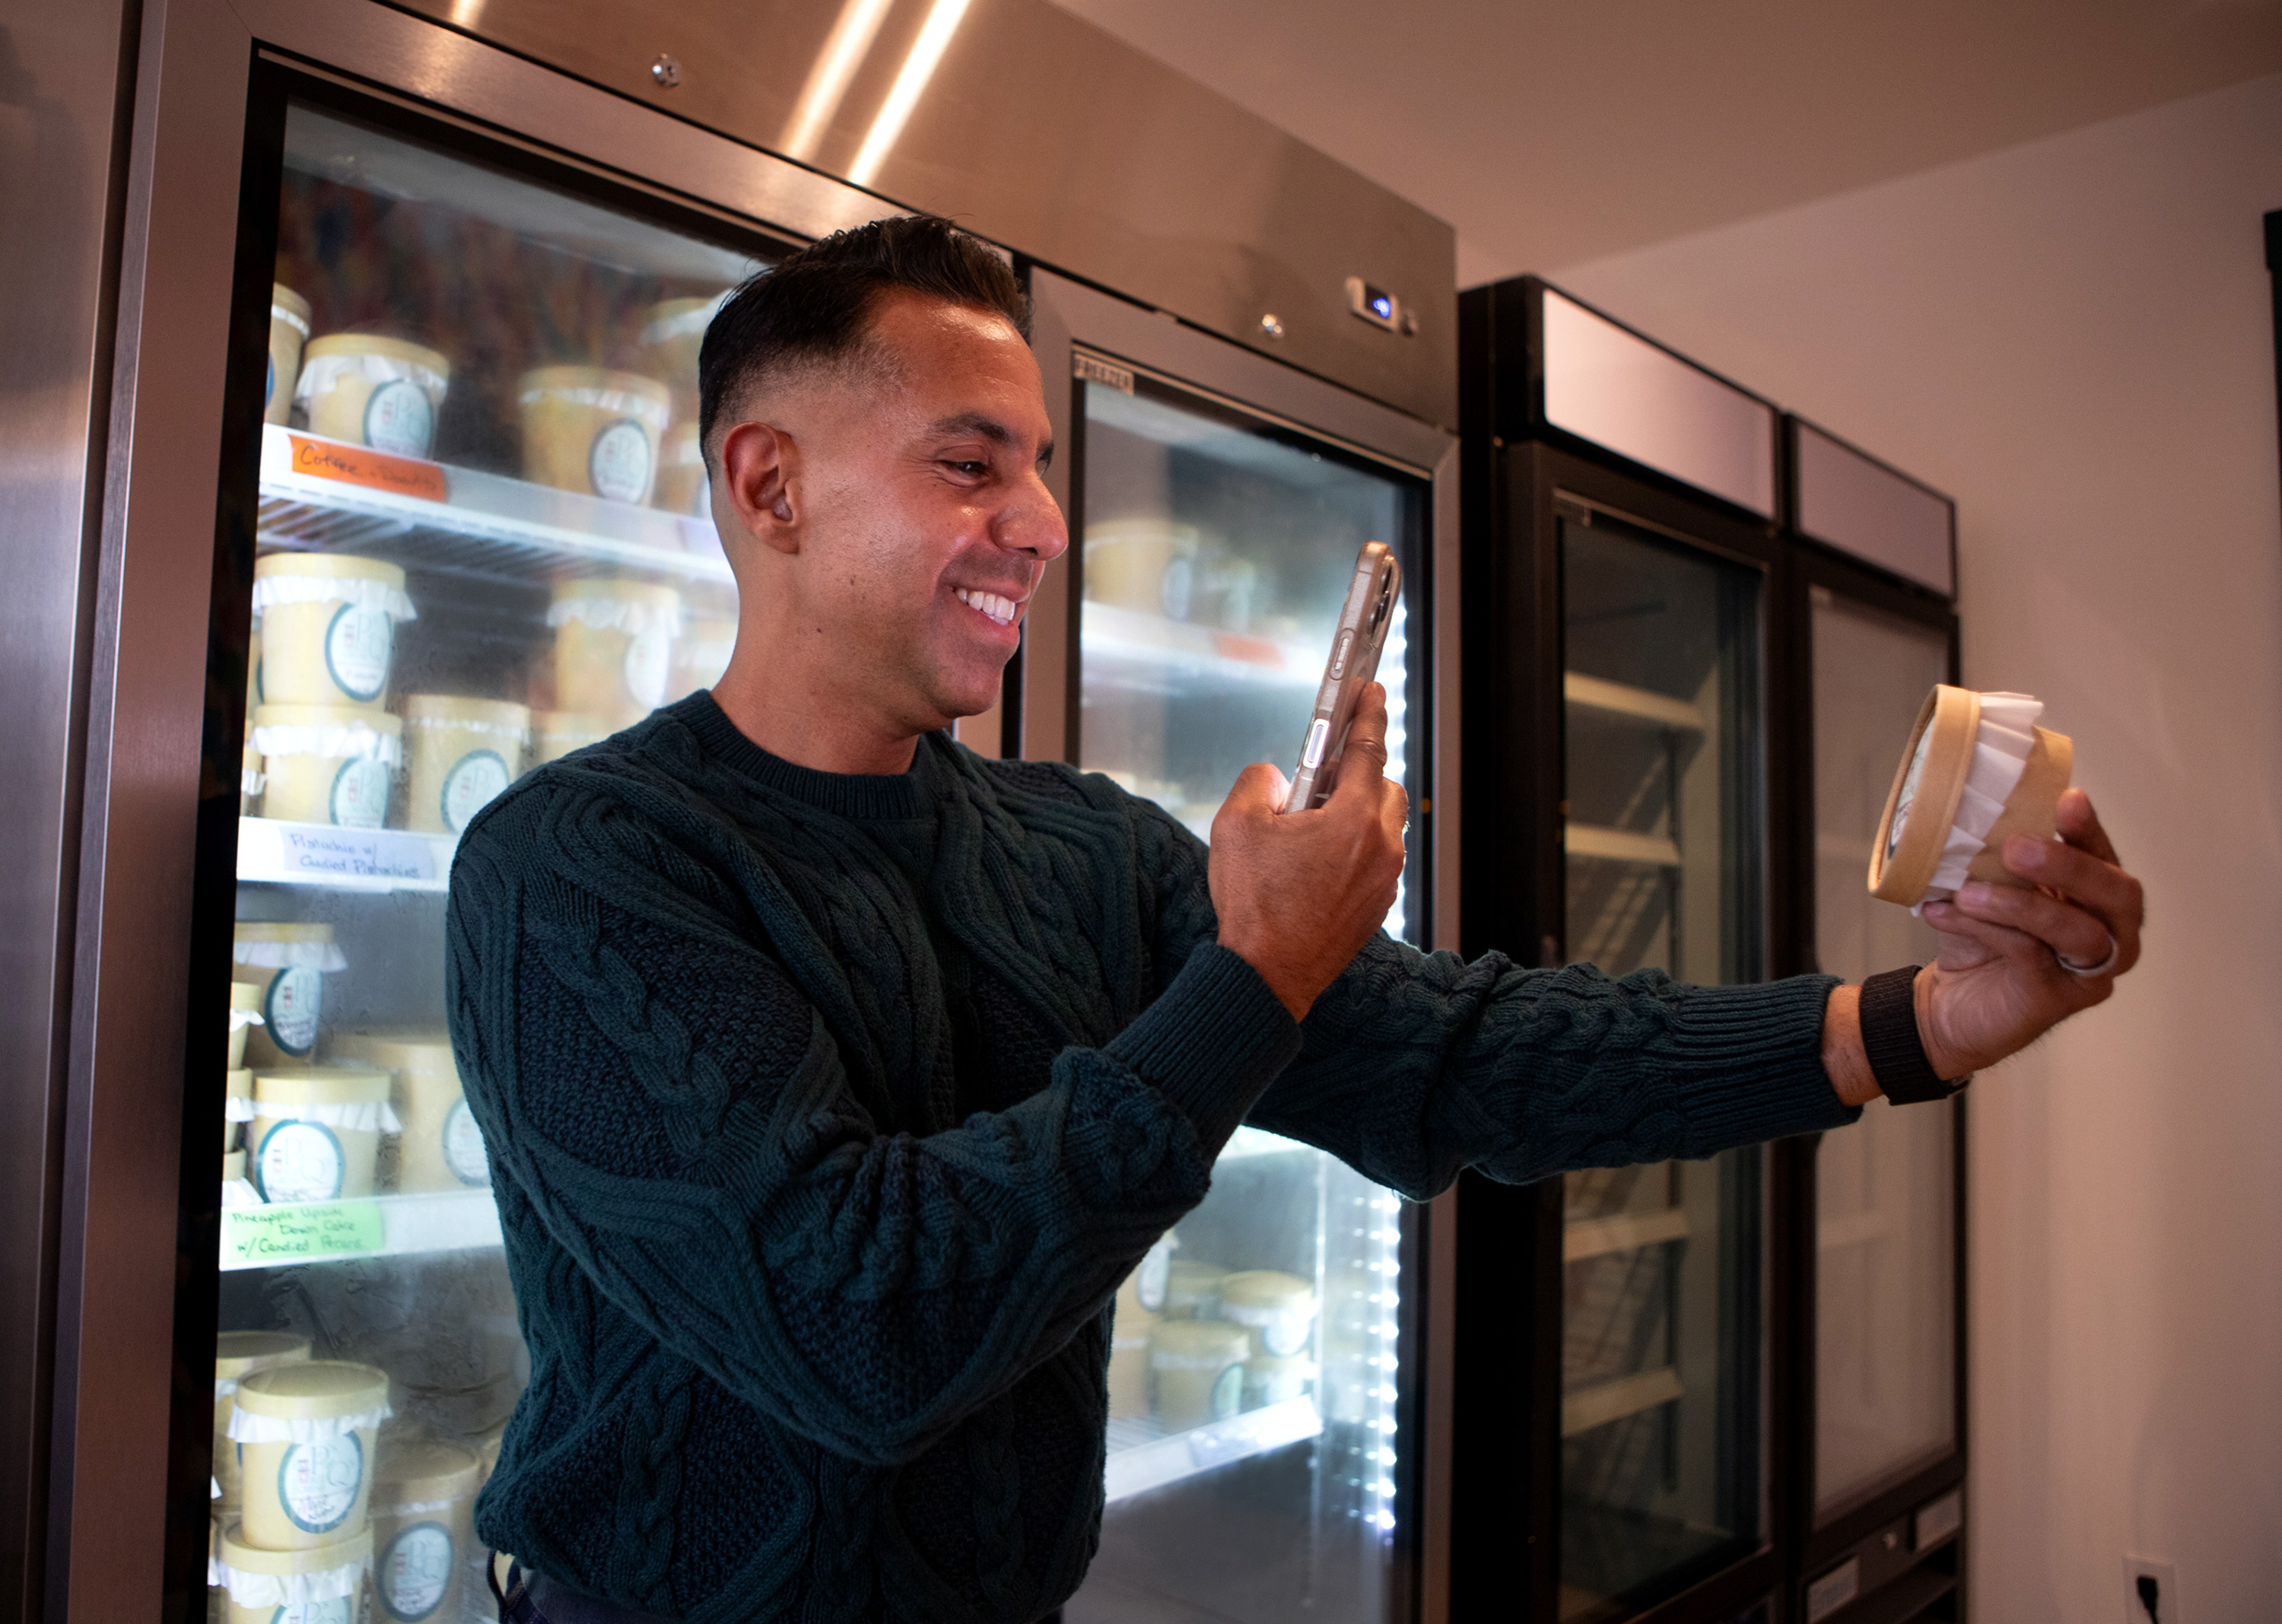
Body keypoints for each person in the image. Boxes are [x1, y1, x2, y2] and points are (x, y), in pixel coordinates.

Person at [446, 217, 2142, 1624]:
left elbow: (1462, 1055)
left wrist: (1917, 1024)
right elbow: (859, 1326)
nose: (1040, 526)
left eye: (1040, 469)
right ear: (771, 489)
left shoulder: (1077, 848)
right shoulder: (579, 866)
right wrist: (1255, 971)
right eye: (971, 465)